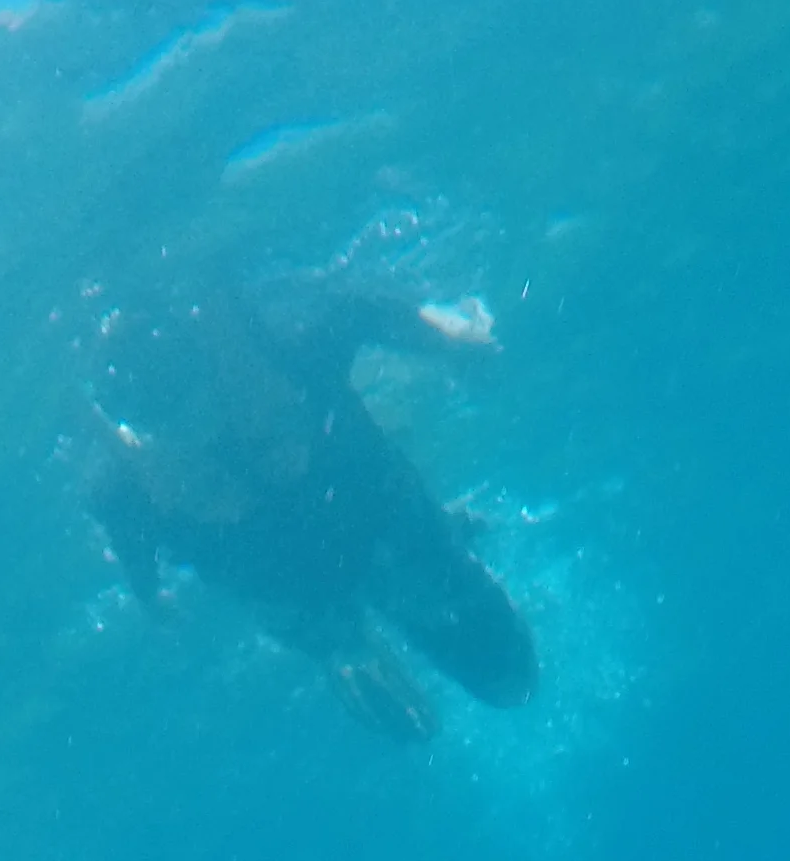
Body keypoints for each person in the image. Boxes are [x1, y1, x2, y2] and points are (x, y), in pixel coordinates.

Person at [84, 272, 537, 738]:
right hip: (311, 563)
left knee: (490, 659)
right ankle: (352, 650)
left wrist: (449, 341)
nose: (194, 424)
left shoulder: (281, 356)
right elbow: (125, 530)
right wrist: (149, 592)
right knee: (364, 608)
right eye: (162, 414)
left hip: (347, 533)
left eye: (187, 397)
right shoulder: (135, 483)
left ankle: (356, 645)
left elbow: (355, 313)